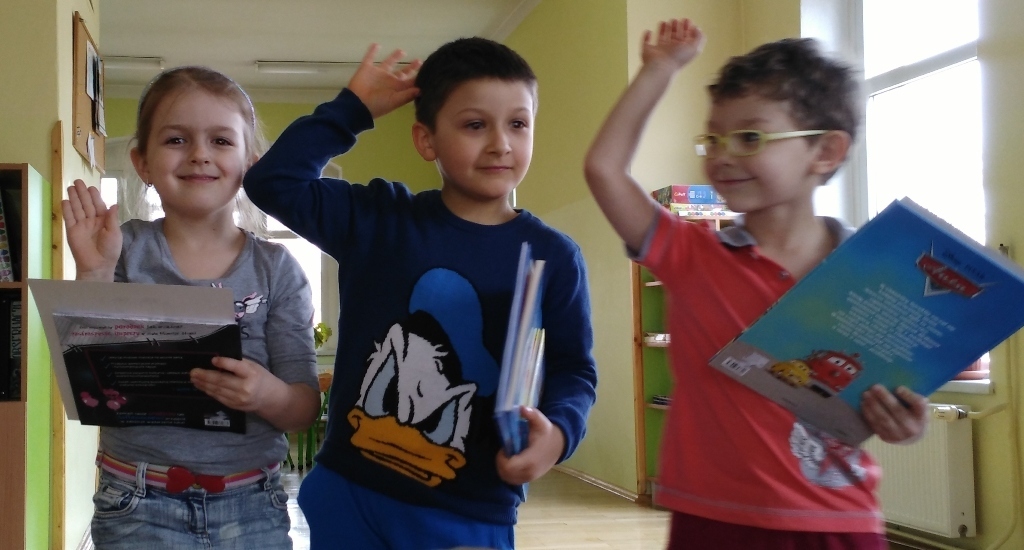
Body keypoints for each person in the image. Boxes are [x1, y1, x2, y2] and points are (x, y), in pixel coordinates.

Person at [583, 18, 930, 549]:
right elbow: (604, 169)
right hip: (712, 519)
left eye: (750, 137)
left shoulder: (869, 282)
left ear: (826, 152)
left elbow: (881, 396)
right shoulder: (689, 254)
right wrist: (659, 70)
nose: (722, 155)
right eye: (713, 138)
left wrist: (905, 422)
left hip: (838, 524)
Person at [243, 38, 598, 550]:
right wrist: (353, 109)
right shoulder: (380, 219)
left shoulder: (554, 255)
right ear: (426, 140)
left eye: (518, 124)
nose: (501, 143)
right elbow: (272, 182)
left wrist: (559, 434)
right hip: (352, 493)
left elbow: (574, 369)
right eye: (475, 125)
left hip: (470, 508)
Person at [61, 66, 321, 549]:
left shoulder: (277, 269)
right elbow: (89, 391)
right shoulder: (121, 249)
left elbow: (304, 408)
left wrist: (266, 394)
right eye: (176, 139)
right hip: (136, 499)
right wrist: (93, 273)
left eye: (221, 141)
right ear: (142, 162)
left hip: (251, 502)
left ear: (249, 164)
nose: (200, 154)